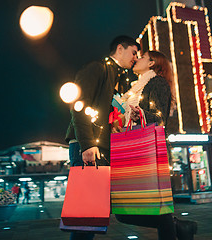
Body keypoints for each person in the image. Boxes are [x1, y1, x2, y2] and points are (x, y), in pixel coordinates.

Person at [114, 50, 197, 240]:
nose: (137, 59)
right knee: (124, 212)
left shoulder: (157, 82)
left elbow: (160, 118)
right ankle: (180, 227)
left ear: (151, 63)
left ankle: (176, 227)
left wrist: (141, 115)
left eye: (141, 56)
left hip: (148, 149)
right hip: (134, 148)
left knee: (156, 206)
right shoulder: (136, 87)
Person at [64, 35, 140, 240]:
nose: (135, 57)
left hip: (101, 146)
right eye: (133, 52)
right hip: (88, 146)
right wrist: (87, 144)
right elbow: (78, 105)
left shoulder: (118, 77)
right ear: (120, 49)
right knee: (87, 213)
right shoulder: (97, 68)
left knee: (94, 211)